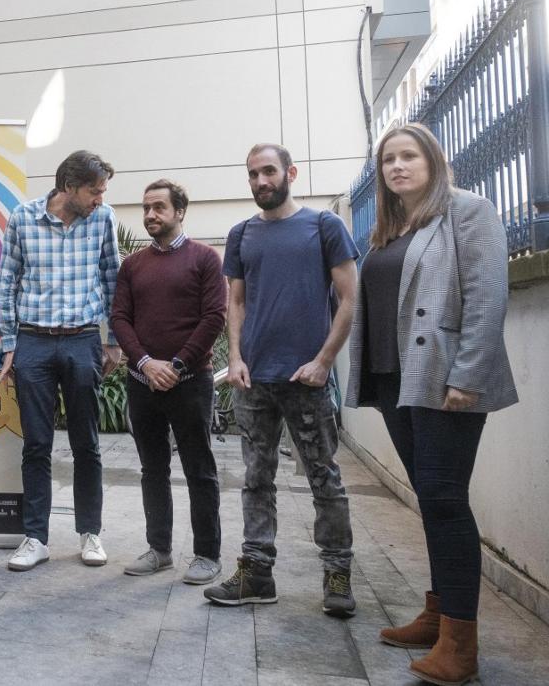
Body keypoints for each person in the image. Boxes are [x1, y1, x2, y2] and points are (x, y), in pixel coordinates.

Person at [346, 124, 516, 685]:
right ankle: (441, 613)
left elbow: (489, 295)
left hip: (446, 380)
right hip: (399, 380)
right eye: (388, 159)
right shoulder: (392, 228)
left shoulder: (468, 210)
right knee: (431, 498)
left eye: (408, 155)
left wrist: (467, 374)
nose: (397, 167)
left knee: (444, 498)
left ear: (432, 160)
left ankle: (460, 645)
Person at [204, 143, 359, 616]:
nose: (260, 181)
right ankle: (257, 572)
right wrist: (235, 357)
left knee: (323, 478)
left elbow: (350, 299)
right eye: (252, 174)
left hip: (306, 378)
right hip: (254, 380)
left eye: (268, 171)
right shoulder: (241, 234)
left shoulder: (323, 226)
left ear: (290, 172)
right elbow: (237, 302)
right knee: (255, 477)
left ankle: (337, 572)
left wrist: (324, 361)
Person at [0, 150, 123, 571]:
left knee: (86, 443)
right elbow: (7, 280)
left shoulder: (102, 220)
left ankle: (90, 533)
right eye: (94, 191)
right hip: (33, 342)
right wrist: (10, 343)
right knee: (36, 443)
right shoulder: (23, 218)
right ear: (69, 186)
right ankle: (35, 538)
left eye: (103, 191)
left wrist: (114, 342)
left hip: (83, 340)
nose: (100, 199)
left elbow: (112, 280)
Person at [111, 179, 226, 584]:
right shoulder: (132, 265)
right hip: (142, 383)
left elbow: (215, 317)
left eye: (159, 207)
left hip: (192, 381)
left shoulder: (205, 259)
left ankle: (207, 555)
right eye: (146, 208)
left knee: (200, 469)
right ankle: (159, 550)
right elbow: (120, 319)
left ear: (180, 211)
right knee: (152, 469)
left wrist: (175, 366)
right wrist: (145, 363)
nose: (150, 215)